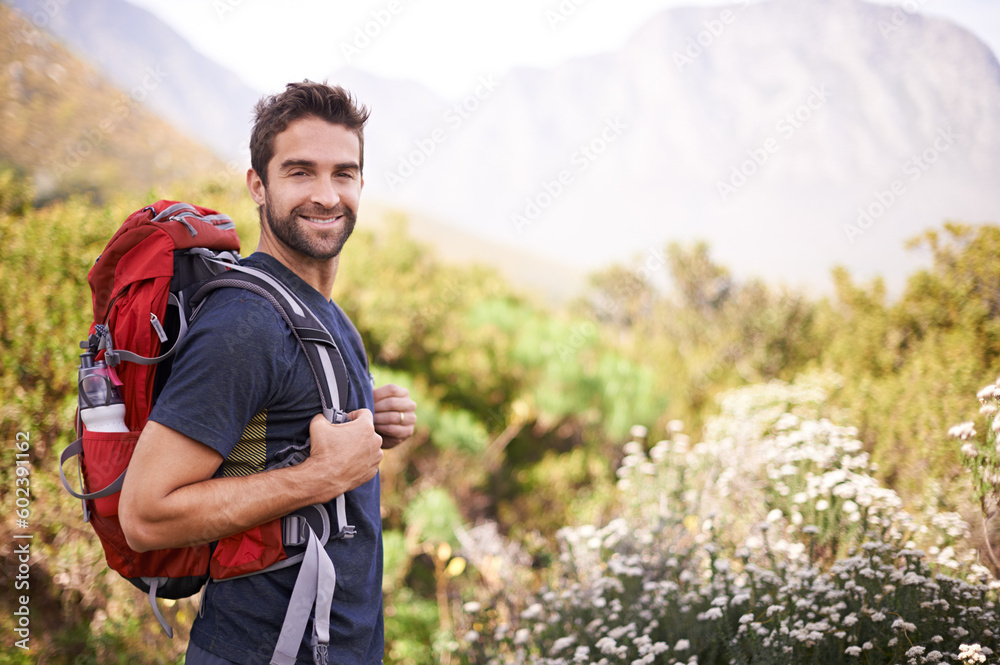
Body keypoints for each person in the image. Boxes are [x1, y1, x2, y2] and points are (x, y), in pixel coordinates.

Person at [118, 81, 416, 665]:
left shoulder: (326, 316)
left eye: (344, 174)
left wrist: (365, 417)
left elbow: (270, 434)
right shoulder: (246, 325)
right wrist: (322, 474)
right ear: (259, 185)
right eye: (300, 172)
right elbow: (145, 515)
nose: (327, 196)